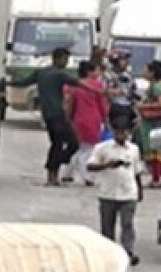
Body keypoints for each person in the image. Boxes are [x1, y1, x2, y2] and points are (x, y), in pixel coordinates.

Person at [13, 48, 103, 186]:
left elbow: (23, 82)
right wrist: (100, 91)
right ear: (58, 58)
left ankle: (52, 175)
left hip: (48, 116)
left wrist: (5, 83)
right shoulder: (59, 74)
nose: (66, 63)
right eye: (65, 59)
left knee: (57, 143)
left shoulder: (41, 72)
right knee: (72, 143)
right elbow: (81, 84)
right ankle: (54, 167)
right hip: (58, 115)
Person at [88, 119, 143, 264]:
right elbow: (90, 166)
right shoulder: (102, 148)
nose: (121, 136)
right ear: (113, 133)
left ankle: (128, 252)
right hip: (108, 192)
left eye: (124, 133)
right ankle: (108, 252)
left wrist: (139, 189)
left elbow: (136, 171)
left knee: (127, 223)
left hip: (128, 193)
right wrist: (107, 165)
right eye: (118, 133)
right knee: (107, 226)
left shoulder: (134, 149)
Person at [62, 61, 110, 185]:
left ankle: (68, 173)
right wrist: (106, 118)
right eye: (97, 70)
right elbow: (102, 105)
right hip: (93, 119)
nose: (99, 73)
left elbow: (68, 103)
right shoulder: (97, 86)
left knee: (79, 147)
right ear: (90, 72)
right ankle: (87, 176)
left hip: (77, 119)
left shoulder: (73, 86)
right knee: (89, 149)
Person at [136, 61, 161, 186]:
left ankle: (157, 178)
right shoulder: (152, 86)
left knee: (156, 151)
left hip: (154, 123)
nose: (144, 72)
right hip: (149, 122)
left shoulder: (157, 87)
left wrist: (144, 106)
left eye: (146, 70)